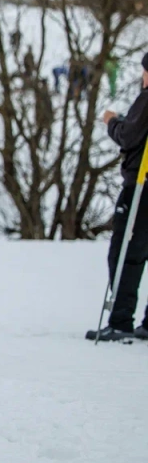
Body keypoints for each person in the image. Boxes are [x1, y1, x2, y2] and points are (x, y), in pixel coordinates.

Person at [87, 53, 148, 341]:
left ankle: (121, 319)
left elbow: (130, 136)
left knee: (125, 253)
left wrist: (112, 122)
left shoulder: (147, 99)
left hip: (141, 187)